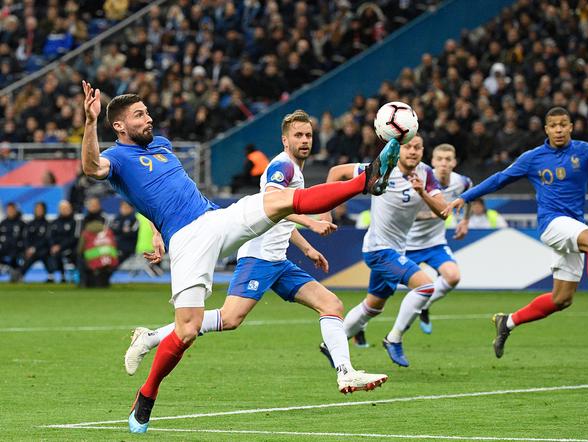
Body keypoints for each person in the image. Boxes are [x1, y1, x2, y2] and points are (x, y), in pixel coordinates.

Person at [80, 82, 400, 433]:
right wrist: (90, 122)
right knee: (187, 330)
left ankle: (366, 181)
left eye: (147, 111)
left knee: (279, 202)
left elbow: (156, 192)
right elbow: (92, 167)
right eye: (140, 115)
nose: (149, 118)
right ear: (119, 126)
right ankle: (147, 394)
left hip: (215, 218)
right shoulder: (116, 158)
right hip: (187, 240)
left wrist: (155, 229)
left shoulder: (161, 144)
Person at [124, 110, 387, 395]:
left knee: (331, 304)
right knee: (230, 319)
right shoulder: (282, 167)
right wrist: (311, 220)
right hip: (259, 256)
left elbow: (282, 216)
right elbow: (275, 204)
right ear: (285, 140)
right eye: (298, 135)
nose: (304, 141)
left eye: (308, 135)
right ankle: (151, 337)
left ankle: (346, 373)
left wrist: (308, 248)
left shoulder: (295, 170)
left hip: (278, 260)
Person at [444, 107, 588, 359]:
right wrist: (465, 197)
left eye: (562, 124)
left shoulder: (586, 152)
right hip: (552, 223)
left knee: (561, 299)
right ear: (546, 129)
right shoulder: (533, 158)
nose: (558, 129)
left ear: (570, 127)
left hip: (573, 225)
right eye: (553, 125)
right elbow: (499, 179)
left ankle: (507, 322)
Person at [324, 135, 447, 367]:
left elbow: (445, 212)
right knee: (426, 285)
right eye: (407, 146)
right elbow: (336, 172)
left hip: (397, 248)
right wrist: (327, 211)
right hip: (378, 249)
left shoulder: (426, 174)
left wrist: (423, 193)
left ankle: (331, 345)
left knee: (373, 307)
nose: (412, 151)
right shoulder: (380, 168)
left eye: (417, 148)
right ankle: (394, 339)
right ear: (398, 150)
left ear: (423, 151)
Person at [405, 143, 472, 334]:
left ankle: (424, 305)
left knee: (453, 276)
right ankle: (360, 326)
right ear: (432, 161)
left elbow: (470, 196)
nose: (443, 163)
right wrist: (436, 214)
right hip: (407, 243)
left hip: (435, 242)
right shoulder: (419, 179)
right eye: (439, 159)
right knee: (382, 292)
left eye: (448, 159)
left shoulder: (462, 182)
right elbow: (402, 212)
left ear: (454, 162)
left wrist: (465, 221)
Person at [18, 201, 54, 282]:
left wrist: (34, 248)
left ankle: (51, 276)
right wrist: (28, 248)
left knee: (44, 254)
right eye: (37, 209)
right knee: (27, 255)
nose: (38, 210)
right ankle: (20, 275)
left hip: (43, 250)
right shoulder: (30, 224)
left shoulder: (48, 224)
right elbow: (26, 238)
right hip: (30, 250)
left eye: (40, 209)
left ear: (44, 210)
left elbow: (46, 239)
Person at [48, 200, 78, 283]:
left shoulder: (74, 222)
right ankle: (57, 275)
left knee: (75, 254)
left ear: (70, 209)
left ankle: (72, 276)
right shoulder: (54, 223)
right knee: (47, 253)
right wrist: (53, 246)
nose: (64, 210)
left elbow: (73, 238)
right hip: (56, 248)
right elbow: (50, 237)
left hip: (69, 247)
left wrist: (60, 246)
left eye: (66, 208)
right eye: (62, 208)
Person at [0, 202, 25, 281]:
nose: (10, 211)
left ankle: (16, 274)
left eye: (12, 209)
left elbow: (25, 238)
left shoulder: (21, 223)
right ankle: (9, 270)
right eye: (8, 210)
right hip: (4, 249)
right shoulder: (3, 223)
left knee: (15, 257)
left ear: (16, 210)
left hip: (17, 249)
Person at [110, 200, 140, 265]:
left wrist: (123, 231)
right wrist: (122, 230)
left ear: (131, 208)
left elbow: (132, 233)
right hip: (115, 246)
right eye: (123, 207)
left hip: (128, 248)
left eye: (127, 207)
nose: (124, 209)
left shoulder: (134, 219)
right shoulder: (117, 218)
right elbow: (112, 231)